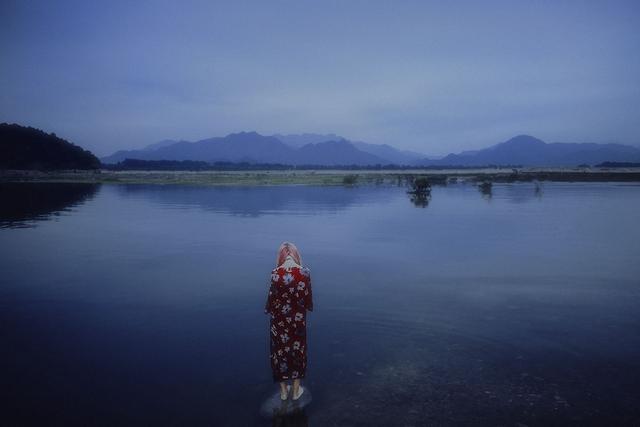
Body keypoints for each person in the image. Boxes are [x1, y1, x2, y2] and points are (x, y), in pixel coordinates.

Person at [265, 242, 313, 401]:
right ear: (296, 255)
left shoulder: (274, 274)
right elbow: (308, 302)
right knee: (298, 352)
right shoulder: (304, 273)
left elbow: (270, 303)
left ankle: (284, 392)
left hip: (278, 323)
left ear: (281, 257)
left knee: (279, 354)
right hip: (298, 323)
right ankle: (296, 390)